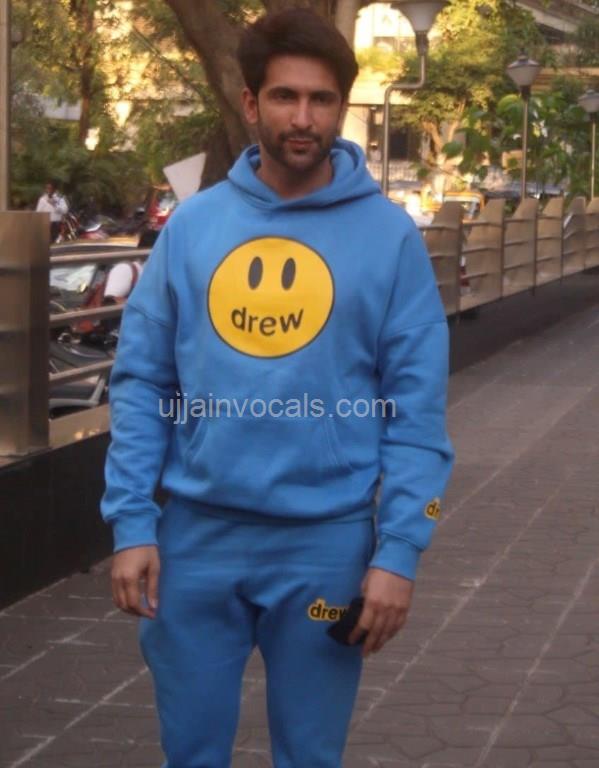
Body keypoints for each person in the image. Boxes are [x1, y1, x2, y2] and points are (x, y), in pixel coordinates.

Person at [101, 9, 454, 768]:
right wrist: (131, 523)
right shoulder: (193, 227)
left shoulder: (389, 237)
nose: (303, 118)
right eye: (285, 96)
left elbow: (417, 414)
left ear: (340, 108)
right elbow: (141, 383)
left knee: (310, 757)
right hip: (194, 542)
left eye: (321, 100)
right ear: (250, 102)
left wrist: (398, 552)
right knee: (190, 755)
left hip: (327, 546)